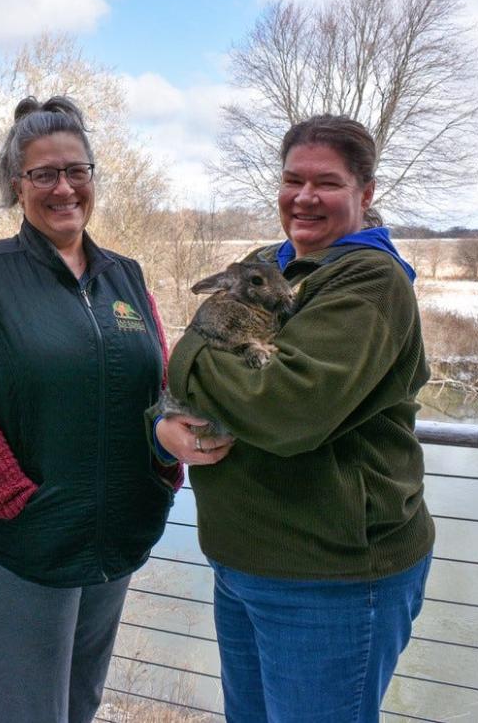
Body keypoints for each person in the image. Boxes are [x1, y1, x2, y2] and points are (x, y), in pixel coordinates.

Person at [0, 96, 202, 723]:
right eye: (44, 174)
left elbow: (156, 390)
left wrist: (163, 466)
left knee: (81, 701)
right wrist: (15, 499)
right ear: (16, 186)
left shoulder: (126, 279)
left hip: (114, 531)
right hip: (20, 535)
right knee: (29, 710)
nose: (63, 188)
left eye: (77, 170)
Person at [156, 114, 435, 722]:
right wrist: (164, 423)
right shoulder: (269, 262)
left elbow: (286, 409)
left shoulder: (369, 278)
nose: (304, 197)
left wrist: (187, 355)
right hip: (242, 558)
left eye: (327, 183)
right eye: (292, 179)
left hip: (328, 576)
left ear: (366, 193)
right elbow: (195, 383)